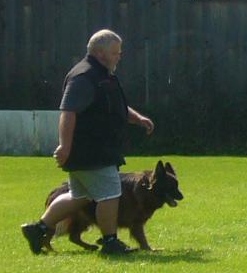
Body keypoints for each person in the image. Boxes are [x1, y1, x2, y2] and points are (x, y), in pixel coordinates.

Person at [21, 29, 155, 256]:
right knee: (110, 193)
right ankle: (110, 242)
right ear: (100, 53)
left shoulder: (103, 75)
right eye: (115, 52)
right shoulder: (84, 76)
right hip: (91, 150)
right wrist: (64, 146)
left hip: (95, 149)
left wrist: (138, 119)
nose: (119, 56)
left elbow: (115, 106)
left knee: (80, 196)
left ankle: (38, 228)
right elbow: (68, 112)